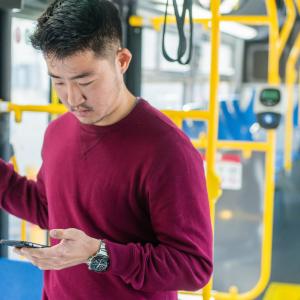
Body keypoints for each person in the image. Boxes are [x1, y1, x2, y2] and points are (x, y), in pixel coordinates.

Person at [0, 0, 213, 299]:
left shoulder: (168, 150)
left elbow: (194, 267)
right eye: (58, 82)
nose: (72, 98)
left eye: (85, 80)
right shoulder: (57, 132)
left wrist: (98, 254)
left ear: (122, 61)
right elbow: (51, 211)